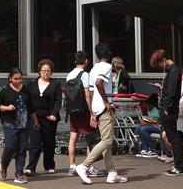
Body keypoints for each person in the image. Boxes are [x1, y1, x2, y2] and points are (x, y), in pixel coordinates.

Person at [76, 43, 128, 184]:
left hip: (97, 109)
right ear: (109, 53)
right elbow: (99, 82)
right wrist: (107, 102)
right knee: (107, 141)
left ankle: (112, 173)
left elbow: (92, 90)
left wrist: (92, 112)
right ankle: (84, 165)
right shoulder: (106, 67)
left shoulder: (94, 68)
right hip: (104, 109)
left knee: (106, 142)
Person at [0, 67, 38, 185]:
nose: (18, 81)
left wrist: (35, 120)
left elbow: (31, 107)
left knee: (22, 149)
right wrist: (7, 108)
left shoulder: (26, 90)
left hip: (24, 123)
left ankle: (19, 173)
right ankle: (4, 165)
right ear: (10, 78)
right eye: (15, 79)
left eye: (20, 78)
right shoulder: (5, 90)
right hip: (9, 122)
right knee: (10, 146)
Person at [150, 48, 183, 176]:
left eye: (159, 64)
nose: (160, 67)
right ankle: (178, 165)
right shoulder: (174, 70)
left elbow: (171, 91)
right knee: (173, 137)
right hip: (170, 108)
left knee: (173, 138)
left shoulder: (173, 71)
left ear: (163, 60)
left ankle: (179, 166)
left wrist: (165, 107)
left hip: (169, 110)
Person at [66, 50, 102, 178]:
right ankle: (89, 167)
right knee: (90, 139)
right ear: (86, 61)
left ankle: (72, 166)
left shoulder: (69, 74)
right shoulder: (85, 74)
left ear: (75, 61)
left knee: (73, 138)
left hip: (72, 111)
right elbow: (87, 94)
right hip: (83, 111)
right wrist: (91, 112)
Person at [24, 59, 62, 176]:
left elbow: (58, 101)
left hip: (49, 118)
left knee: (49, 143)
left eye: (48, 71)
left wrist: (54, 114)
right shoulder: (31, 84)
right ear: (39, 71)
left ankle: (49, 165)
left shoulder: (55, 84)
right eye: (44, 70)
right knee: (34, 143)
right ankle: (31, 168)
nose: (46, 73)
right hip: (35, 117)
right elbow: (27, 99)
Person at [135, 94, 172, 159]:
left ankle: (152, 149)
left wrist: (152, 121)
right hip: (151, 125)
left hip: (158, 126)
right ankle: (145, 148)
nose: (148, 107)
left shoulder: (159, 110)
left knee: (143, 129)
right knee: (139, 128)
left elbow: (160, 121)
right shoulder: (149, 109)